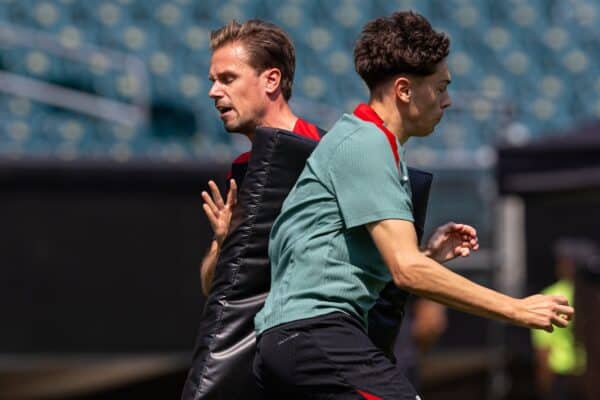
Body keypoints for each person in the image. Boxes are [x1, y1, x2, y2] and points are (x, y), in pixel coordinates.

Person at [253, 11, 574, 399]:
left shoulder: (365, 142)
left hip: (296, 343)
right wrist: (517, 309)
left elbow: (342, 260)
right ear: (404, 90)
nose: (448, 100)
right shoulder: (367, 144)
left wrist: (426, 255)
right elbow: (407, 272)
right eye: (440, 88)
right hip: (317, 337)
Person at [199, 19, 322, 296]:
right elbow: (212, 289)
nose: (213, 92)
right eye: (213, 81)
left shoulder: (328, 152)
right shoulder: (242, 170)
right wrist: (224, 241)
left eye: (228, 79)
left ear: (271, 80)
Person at [531, 239, 588, 400]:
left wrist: (544, 386)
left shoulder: (550, 297)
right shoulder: (594, 297)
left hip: (561, 377)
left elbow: (543, 349)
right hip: (588, 374)